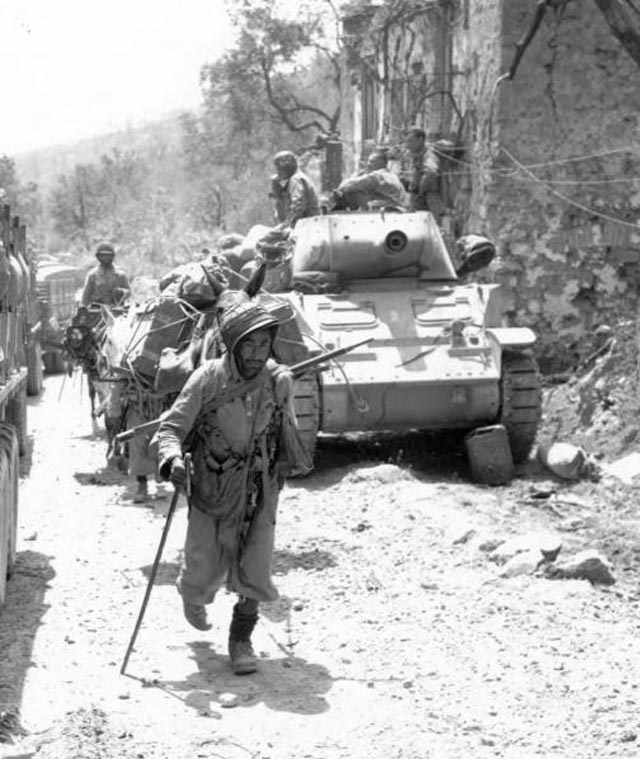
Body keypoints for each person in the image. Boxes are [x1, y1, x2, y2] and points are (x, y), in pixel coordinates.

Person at [156, 299, 311, 675]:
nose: (257, 354)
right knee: (202, 563)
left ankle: (241, 639)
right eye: (249, 345)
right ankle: (192, 593)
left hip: (259, 487)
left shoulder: (277, 379)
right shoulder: (207, 378)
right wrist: (173, 459)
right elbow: (171, 429)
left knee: (255, 565)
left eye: (264, 345)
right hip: (213, 484)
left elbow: (285, 430)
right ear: (234, 344)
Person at [329, 149, 408, 212]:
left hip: (388, 211)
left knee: (351, 192)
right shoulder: (391, 175)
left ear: (381, 162)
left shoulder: (378, 176)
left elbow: (346, 185)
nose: (368, 164)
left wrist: (357, 175)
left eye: (371, 161)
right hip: (396, 209)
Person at [401, 127, 447, 221]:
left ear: (420, 140)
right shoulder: (417, 157)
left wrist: (420, 190)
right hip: (421, 203)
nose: (408, 146)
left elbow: (431, 172)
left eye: (410, 141)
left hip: (430, 202)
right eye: (407, 142)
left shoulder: (428, 156)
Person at [270, 151, 319, 228]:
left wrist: (286, 225)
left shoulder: (296, 179)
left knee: (260, 236)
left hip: (304, 226)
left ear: (286, 167)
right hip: (307, 224)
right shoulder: (299, 177)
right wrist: (278, 193)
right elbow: (281, 215)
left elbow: (298, 205)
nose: (277, 172)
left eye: (279, 169)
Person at [81, 242, 131, 307]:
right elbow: (85, 298)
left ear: (112, 256)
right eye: (103, 256)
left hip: (117, 309)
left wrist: (121, 292)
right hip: (97, 310)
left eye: (108, 256)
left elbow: (129, 293)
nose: (105, 258)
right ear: (98, 257)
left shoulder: (120, 275)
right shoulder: (93, 275)